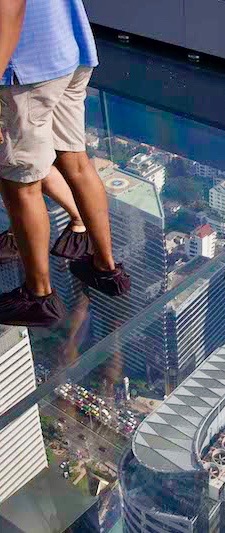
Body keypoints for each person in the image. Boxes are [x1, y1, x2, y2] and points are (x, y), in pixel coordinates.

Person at [0, 0, 130, 327]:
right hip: (69, 48)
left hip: (26, 67)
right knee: (76, 161)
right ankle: (106, 269)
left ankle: (38, 295)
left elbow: (9, 8)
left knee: (21, 184)